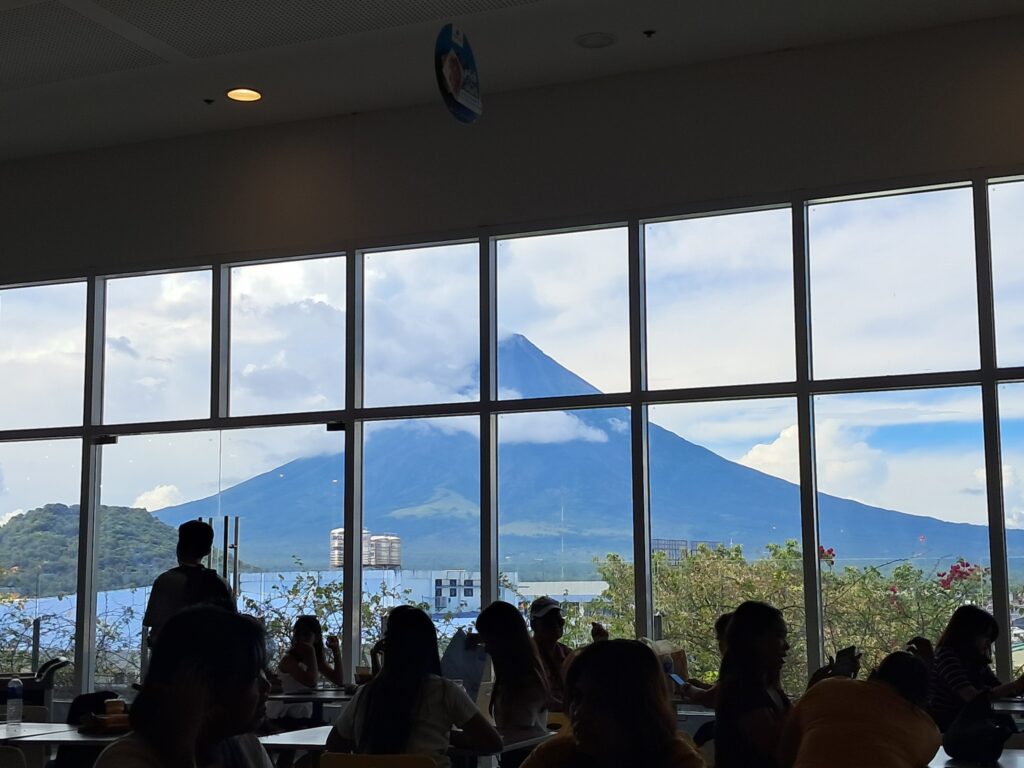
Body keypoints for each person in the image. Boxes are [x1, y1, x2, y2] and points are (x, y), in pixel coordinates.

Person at [95, 606, 271, 768]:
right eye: (253, 676)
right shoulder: (125, 759)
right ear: (206, 689)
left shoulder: (246, 746)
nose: (266, 686)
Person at [326, 605, 501, 767]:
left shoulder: (366, 694)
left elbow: (334, 744)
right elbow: (492, 742)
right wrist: (448, 736)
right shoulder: (444, 691)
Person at [521, 639, 704, 768]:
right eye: (577, 697)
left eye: (598, 701)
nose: (579, 711)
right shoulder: (554, 756)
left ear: (637, 707)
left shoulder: (677, 760)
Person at [778, 651, 941, 768]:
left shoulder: (827, 688)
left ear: (874, 674)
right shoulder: (927, 730)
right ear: (920, 697)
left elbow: (785, 751)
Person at [714, 601, 792, 768]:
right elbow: (780, 749)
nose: (786, 646)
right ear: (756, 640)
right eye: (779, 636)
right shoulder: (741, 691)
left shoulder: (769, 687)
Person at [928, 605, 1024, 731]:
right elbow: (973, 698)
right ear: (968, 634)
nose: (988, 643)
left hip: (967, 722)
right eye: (985, 636)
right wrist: (1015, 685)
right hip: (950, 727)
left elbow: (996, 689)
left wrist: (1018, 687)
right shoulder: (947, 656)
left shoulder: (973, 660)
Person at [476, 601, 549, 767]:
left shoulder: (525, 683)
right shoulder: (524, 675)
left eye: (488, 641)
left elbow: (517, 731)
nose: (486, 649)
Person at [142, 520, 233, 644]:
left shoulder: (166, 581)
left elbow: (154, 625)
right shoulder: (221, 584)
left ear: (179, 547)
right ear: (208, 550)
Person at [266, 615, 344, 723]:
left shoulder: (315, 661)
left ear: (316, 638)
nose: (301, 639)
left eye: (306, 635)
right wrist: (311, 651)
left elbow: (338, 680)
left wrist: (336, 651)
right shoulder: (288, 660)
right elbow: (311, 682)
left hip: (301, 715)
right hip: (282, 715)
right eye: (297, 634)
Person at [529, 596, 573, 711]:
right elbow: (539, 699)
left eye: (559, 620)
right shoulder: (526, 657)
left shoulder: (567, 654)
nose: (556, 625)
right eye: (548, 621)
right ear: (533, 625)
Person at [681, 611, 733, 708]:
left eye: (720, 639)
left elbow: (710, 698)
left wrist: (687, 688)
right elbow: (726, 692)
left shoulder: (737, 667)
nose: (719, 645)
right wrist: (703, 686)